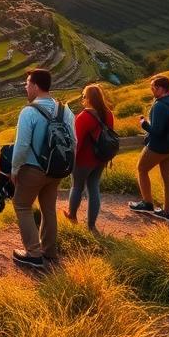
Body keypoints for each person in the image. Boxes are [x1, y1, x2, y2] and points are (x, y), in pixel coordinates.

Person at [11, 68, 75, 269]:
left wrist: (14, 169)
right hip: (56, 170)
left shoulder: (29, 111)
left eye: (27, 83)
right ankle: (50, 251)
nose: (25, 87)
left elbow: (21, 145)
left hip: (33, 169)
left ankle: (33, 253)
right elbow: (74, 141)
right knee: (48, 209)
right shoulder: (65, 110)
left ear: (36, 86)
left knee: (21, 205)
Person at [128, 74, 169, 223]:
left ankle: (147, 203)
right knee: (168, 178)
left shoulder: (159, 105)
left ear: (160, 88)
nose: (151, 90)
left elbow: (157, 132)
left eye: (153, 88)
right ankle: (168, 213)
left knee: (141, 169)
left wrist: (143, 124)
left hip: (158, 147)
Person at [63, 83, 114, 233]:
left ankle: (72, 216)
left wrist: (70, 162)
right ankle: (91, 225)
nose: (82, 99)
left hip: (84, 160)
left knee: (77, 186)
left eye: (84, 96)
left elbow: (76, 142)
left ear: (89, 98)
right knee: (94, 189)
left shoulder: (84, 117)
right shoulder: (108, 113)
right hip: (101, 159)